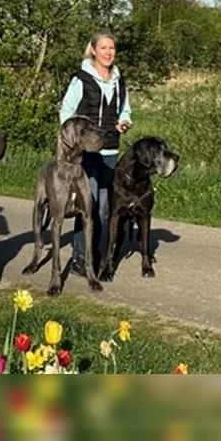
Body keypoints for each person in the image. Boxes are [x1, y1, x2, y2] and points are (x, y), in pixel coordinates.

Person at [59, 31, 132, 276]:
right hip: (87, 153)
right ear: (93, 50)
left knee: (104, 207)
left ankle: (95, 254)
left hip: (111, 150)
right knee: (89, 206)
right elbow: (66, 112)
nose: (109, 52)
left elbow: (125, 110)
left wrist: (124, 121)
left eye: (112, 48)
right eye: (104, 48)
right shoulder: (82, 79)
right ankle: (81, 256)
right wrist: (74, 140)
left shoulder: (119, 80)